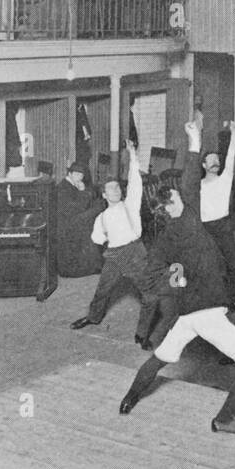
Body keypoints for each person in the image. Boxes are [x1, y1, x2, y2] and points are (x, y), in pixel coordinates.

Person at [119, 122, 235, 434]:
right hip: (208, 313)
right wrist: (195, 141)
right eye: (177, 194)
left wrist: (178, 285)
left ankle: (130, 398)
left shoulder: (162, 240)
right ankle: (223, 419)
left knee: (161, 358)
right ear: (172, 204)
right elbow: (190, 178)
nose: (183, 192)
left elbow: (152, 279)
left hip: (187, 312)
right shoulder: (191, 217)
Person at [69, 143, 170, 349]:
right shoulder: (101, 218)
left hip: (135, 253)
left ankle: (142, 334)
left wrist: (133, 156)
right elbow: (97, 240)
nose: (115, 190)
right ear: (104, 196)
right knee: (102, 289)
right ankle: (93, 317)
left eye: (117, 187)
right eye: (110, 189)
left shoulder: (130, 205)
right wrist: (105, 250)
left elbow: (135, 183)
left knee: (150, 295)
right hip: (114, 256)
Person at [200, 118, 235, 314]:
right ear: (203, 165)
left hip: (223, 227)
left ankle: (232, 301)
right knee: (207, 269)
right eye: (210, 161)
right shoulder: (198, 186)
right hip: (204, 229)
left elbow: (231, 155)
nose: (215, 163)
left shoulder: (225, 179)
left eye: (217, 160)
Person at [54, 162, 103, 277]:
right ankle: (94, 264)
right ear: (69, 174)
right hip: (68, 225)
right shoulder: (63, 187)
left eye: (81, 175)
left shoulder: (72, 184)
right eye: (76, 174)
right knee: (97, 210)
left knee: (98, 208)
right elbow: (77, 208)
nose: (79, 177)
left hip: (74, 220)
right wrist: (82, 191)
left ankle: (96, 261)